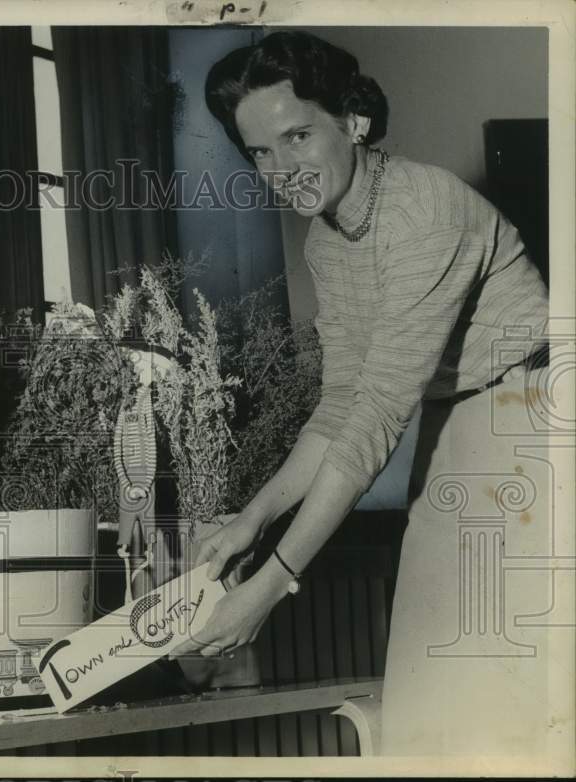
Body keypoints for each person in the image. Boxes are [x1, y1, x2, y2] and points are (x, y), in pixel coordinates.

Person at [171, 31, 553, 757]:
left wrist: (275, 582)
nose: (282, 169)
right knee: (436, 690)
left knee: (509, 695)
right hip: (459, 429)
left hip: (538, 418)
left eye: (298, 136)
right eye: (260, 152)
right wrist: (252, 521)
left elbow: (377, 417)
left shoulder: (424, 210)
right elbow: (343, 403)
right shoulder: (328, 239)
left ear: (354, 122)